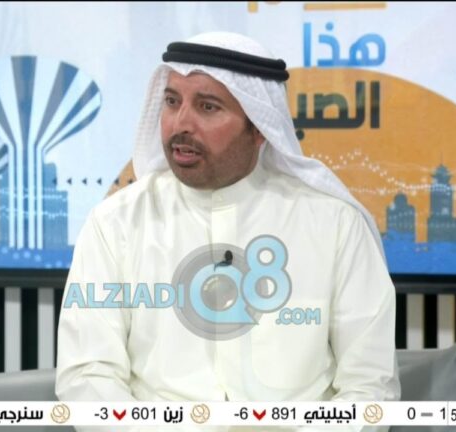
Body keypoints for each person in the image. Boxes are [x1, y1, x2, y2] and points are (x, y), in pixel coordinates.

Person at [56, 31, 400, 431]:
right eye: (172, 101)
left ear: (260, 127)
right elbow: (88, 378)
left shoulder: (334, 224)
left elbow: (370, 387)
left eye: (208, 107)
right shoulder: (115, 223)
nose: (181, 123)